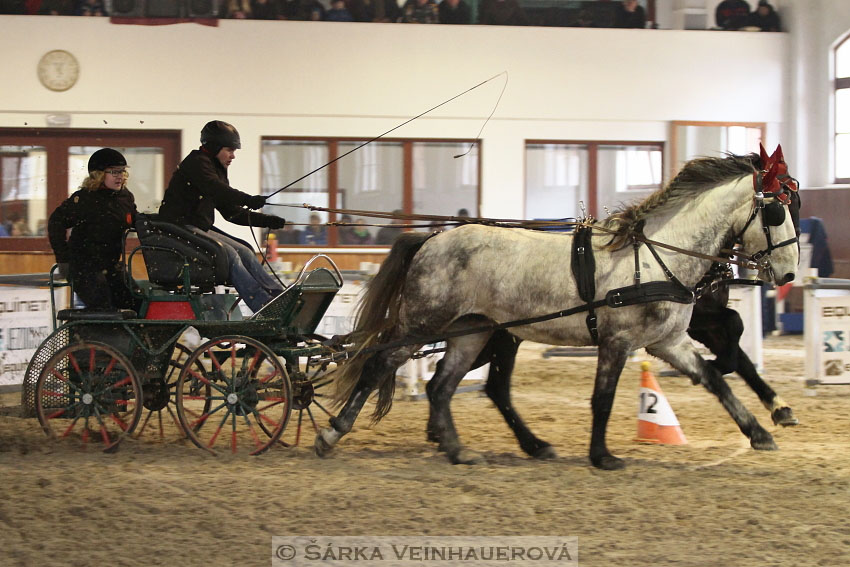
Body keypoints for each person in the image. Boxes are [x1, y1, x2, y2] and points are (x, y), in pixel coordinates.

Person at [158, 121, 287, 313]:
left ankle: (279, 296)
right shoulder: (197, 163)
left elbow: (231, 212)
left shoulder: (216, 168)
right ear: (214, 146)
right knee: (230, 254)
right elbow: (216, 189)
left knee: (244, 251)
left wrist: (265, 220)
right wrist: (248, 199)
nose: (233, 156)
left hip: (196, 228)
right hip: (177, 227)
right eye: (229, 150)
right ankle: (263, 305)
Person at [47, 148, 137, 311]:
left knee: (138, 302)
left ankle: (140, 335)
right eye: (114, 172)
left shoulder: (124, 198)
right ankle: (96, 334)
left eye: (123, 172)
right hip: (84, 268)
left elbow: (135, 220)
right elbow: (56, 222)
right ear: (99, 175)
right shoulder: (84, 199)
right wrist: (63, 259)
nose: (120, 177)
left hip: (111, 266)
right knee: (103, 307)